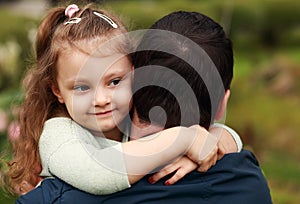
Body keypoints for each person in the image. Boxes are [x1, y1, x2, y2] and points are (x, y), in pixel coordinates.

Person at [15, 10, 272, 204]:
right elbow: (99, 172)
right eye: (82, 87)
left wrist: (216, 138)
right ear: (56, 90)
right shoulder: (60, 134)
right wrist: (184, 138)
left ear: (134, 76)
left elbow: (222, 133)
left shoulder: (124, 116)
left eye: (114, 81)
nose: (101, 98)